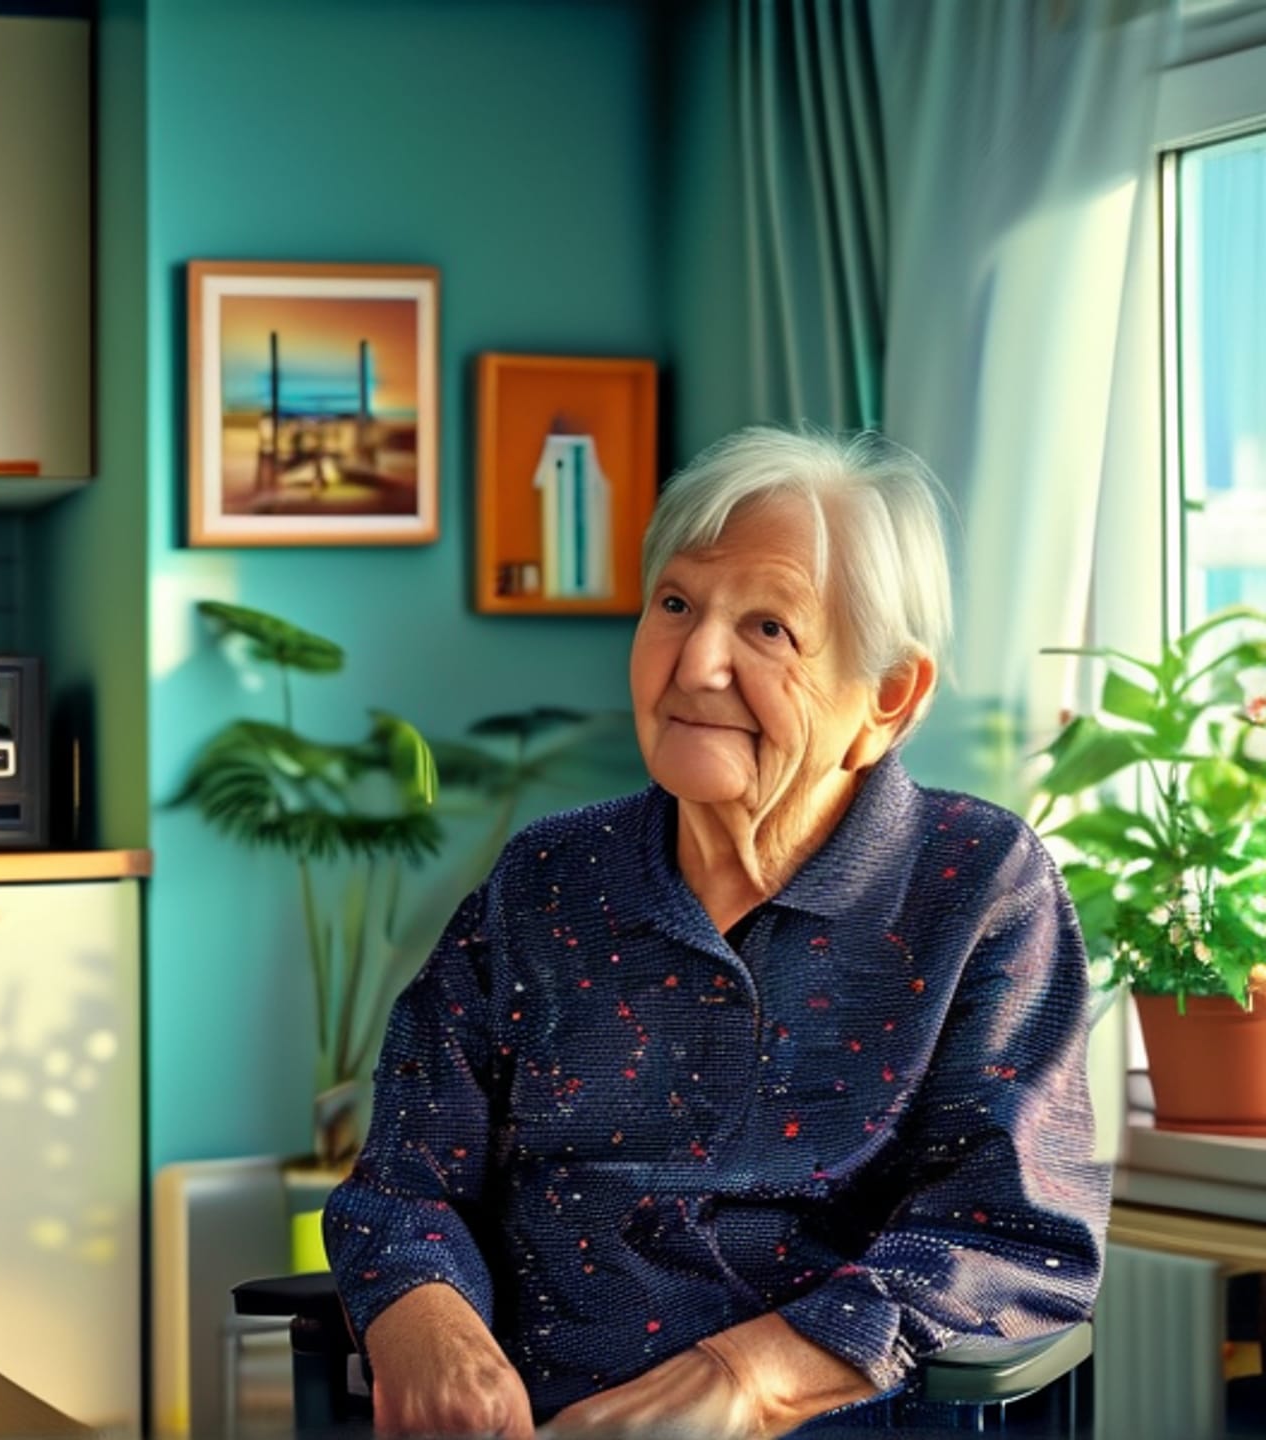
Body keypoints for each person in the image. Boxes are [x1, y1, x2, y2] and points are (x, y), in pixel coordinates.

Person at [323, 426, 1112, 1439]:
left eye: (770, 630)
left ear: (888, 698)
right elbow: (402, 1180)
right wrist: (429, 1331)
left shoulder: (974, 885)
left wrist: (743, 1380)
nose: (696, 663)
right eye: (676, 604)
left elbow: (1011, 1237)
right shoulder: (548, 879)